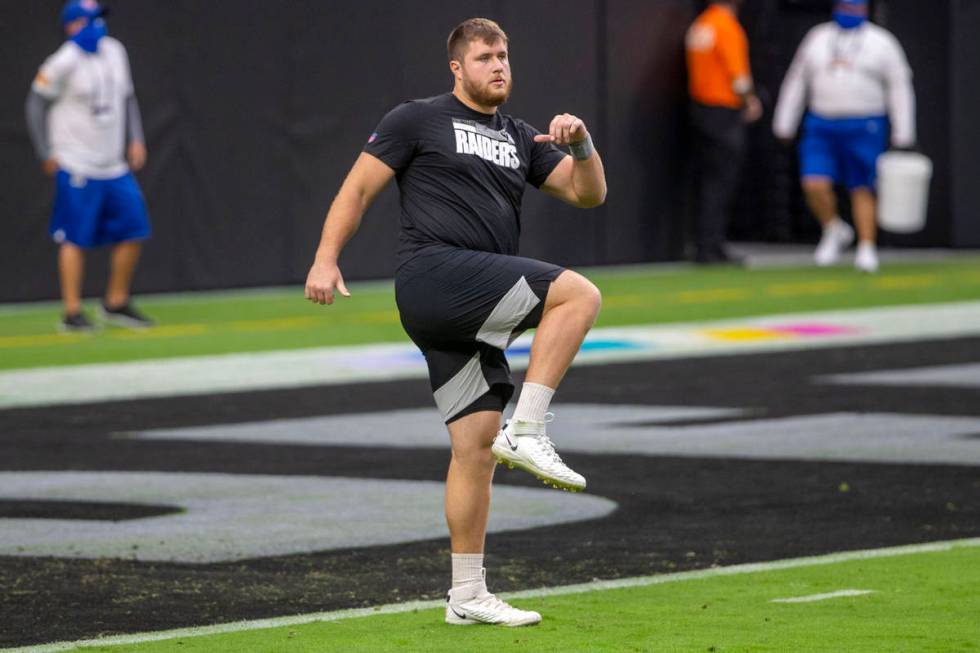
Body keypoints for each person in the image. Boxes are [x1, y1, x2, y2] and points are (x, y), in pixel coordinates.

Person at [304, 18, 606, 627]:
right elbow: (358, 189)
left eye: (504, 55)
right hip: (435, 275)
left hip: (462, 305)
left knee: (474, 447)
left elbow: (587, 194)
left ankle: (466, 594)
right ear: (457, 67)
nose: (499, 65)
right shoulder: (416, 118)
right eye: (485, 56)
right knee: (578, 297)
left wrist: (582, 145)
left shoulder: (520, 136)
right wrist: (325, 256)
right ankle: (531, 426)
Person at [25, 0, 153, 331]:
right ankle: (72, 311)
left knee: (135, 227)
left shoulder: (115, 51)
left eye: (99, 20)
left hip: (113, 162)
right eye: (89, 21)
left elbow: (127, 97)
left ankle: (116, 301)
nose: (97, 27)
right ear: (72, 26)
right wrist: (45, 152)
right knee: (75, 237)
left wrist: (135, 138)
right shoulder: (63, 61)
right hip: (77, 160)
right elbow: (35, 103)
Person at [773, 0, 916, 273]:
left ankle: (866, 246)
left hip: (865, 124)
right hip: (821, 122)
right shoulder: (818, 38)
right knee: (813, 183)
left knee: (861, 187)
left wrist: (903, 132)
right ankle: (833, 229)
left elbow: (899, 86)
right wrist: (784, 122)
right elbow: (796, 80)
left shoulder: (881, 42)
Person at [685, 0, 763, 264]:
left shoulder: (702, 24)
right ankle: (711, 248)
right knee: (721, 182)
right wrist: (750, 100)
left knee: (708, 181)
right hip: (722, 113)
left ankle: (705, 244)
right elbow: (738, 76)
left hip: (700, 110)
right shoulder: (726, 26)